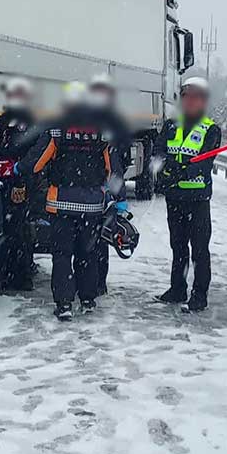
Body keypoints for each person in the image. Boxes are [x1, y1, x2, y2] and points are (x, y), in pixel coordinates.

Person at [20, 81, 120, 320]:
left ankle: (64, 304)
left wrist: (19, 169)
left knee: (62, 254)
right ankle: (87, 298)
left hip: (61, 204)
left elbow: (37, 162)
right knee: (88, 252)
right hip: (92, 207)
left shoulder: (57, 129)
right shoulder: (101, 131)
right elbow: (110, 169)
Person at [153, 77, 220, 312]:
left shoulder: (211, 129)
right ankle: (177, 289)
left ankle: (199, 295)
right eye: (187, 97)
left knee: (199, 249)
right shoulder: (171, 125)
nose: (191, 102)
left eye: (196, 98)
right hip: (175, 199)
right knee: (178, 246)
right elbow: (158, 151)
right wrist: (163, 171)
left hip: (198, 200)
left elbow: (204, 163)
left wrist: (179, 173)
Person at [0, 77, 37, 290]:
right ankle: (4, 271)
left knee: (19, 228)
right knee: (4, 228)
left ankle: (22, 274)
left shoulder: (29, 122)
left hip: (19, 183)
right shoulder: (2, 121)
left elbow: (32, 152)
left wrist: (17, 167)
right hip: (1, 183)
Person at [87, 74, 132, 296]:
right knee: (99, 238)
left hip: (97, 192)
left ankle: (94, 283)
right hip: (99, 192)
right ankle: (96, 283)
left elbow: (119, 163)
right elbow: (121, 161)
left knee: (95, 240)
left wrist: (118, 196)